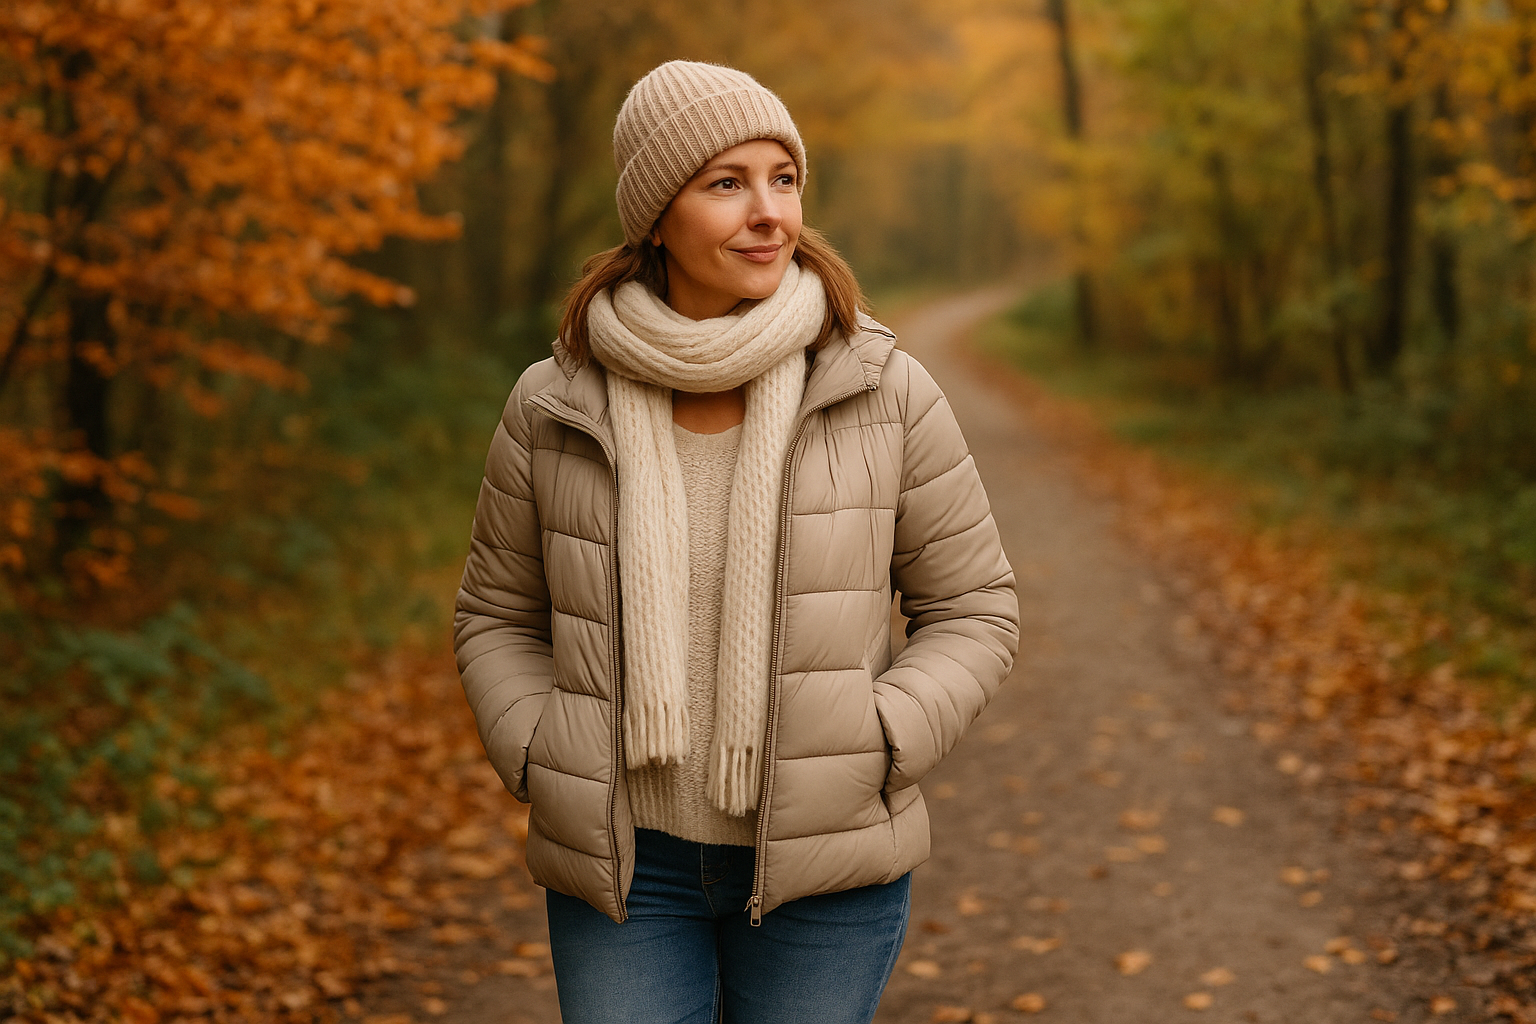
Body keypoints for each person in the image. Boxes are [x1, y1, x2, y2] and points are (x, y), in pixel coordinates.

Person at [454, 60, 1019, 1024]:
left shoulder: (880, 389)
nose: (769, 214)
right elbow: (495, 618)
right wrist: (541, 751)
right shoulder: (554, 404)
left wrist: (881, 740)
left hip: (825, 866)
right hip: (627, 869)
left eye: (783, 179)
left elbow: (975, 609)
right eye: (726, 183)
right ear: (655, 216)